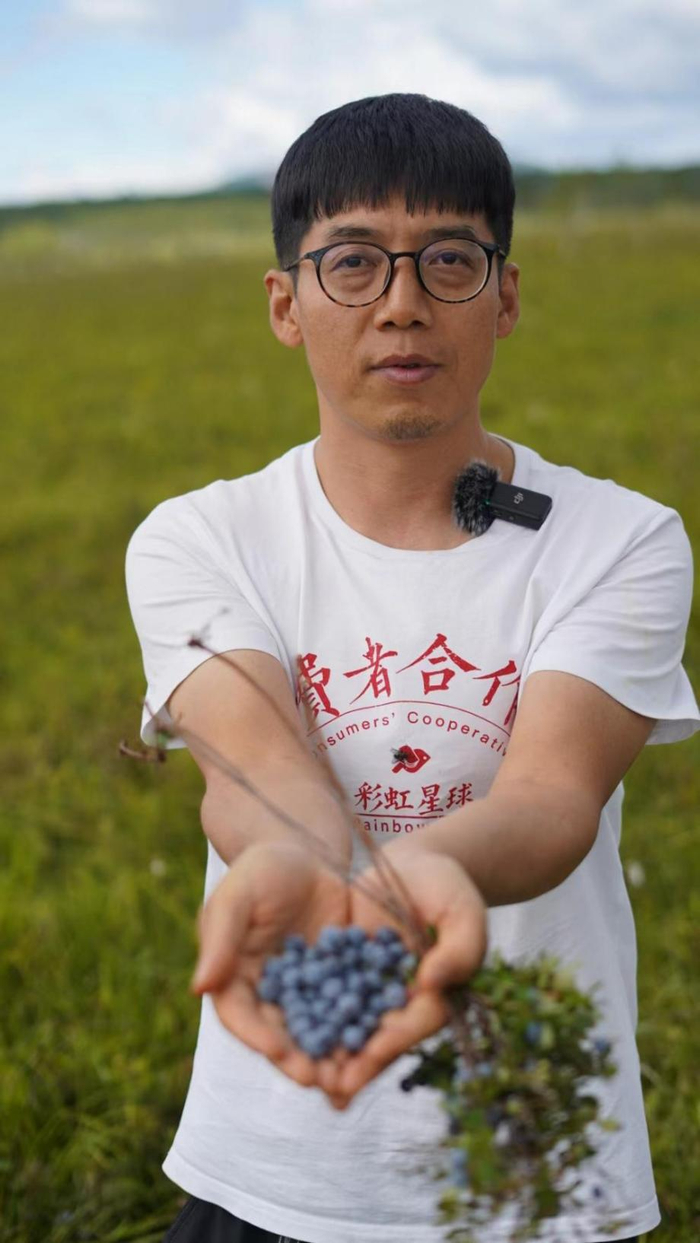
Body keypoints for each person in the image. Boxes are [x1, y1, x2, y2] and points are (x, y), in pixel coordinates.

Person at [125, 93, 699, 1243]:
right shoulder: (200, 538)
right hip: (273, 1159)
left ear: (505, 295)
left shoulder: (619, 539)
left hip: (534, 1167)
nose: (400, 304)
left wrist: (409, 876)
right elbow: (252, 768)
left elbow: (551, 795)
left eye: (447, 260)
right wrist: (306, 866)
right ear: (285, 304)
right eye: (352, 263)